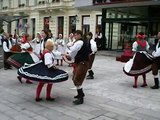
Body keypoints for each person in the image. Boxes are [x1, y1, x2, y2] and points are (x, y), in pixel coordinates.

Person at [64, 30, 89, 105]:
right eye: (74, 35)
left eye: (75, 35)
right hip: (79, 62)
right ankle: (80, 94)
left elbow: (73, 50)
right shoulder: (77, 42)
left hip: (83, 63)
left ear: (79, 35)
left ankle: (81, 98)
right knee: (74, 77)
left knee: (77, 78)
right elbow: (72, 49)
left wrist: (68, 55)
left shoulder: (80, 42)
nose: (74, 36)